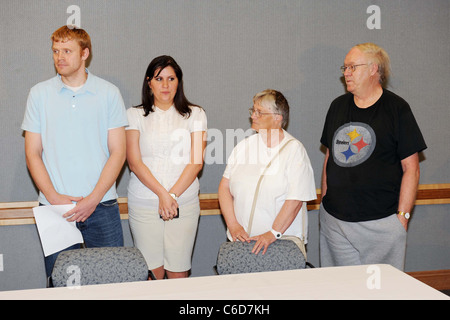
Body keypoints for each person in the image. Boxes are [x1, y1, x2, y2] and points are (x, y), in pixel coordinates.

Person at [21, 26, 128, 279]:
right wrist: (55, 198)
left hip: (102, 206)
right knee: (61, 286)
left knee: (112, 285)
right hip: (55, 209)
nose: (60, 57)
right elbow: (32, 153)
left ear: (85, 53)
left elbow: (118, 152)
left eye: (67, 51)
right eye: (56, 51)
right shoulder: (39, 94)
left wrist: (92, 199)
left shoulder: (109, 93)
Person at [319, 43, 427, 270]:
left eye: (352, 67)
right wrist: (325, 204)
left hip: (381, 225)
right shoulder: (336, 107)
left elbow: (412, 169)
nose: (346, 73)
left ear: (373, 69)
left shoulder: (397, 109)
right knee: (340, 290)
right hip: (334, 224)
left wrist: (402, 219)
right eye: (345, 67)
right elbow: (330, 157)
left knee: (379, 292)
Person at [126, 55, 207, 279]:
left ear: (178, 82)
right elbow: (134, 162)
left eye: (171, 78)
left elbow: (195, 162)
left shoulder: (195, 114)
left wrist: (172, 195)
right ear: (149, 82)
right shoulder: (134, 115)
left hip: (184, 202)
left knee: (178, 272)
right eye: (159, 78)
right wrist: (163, 194)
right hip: (144, 203)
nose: (165, 85)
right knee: (151, 274)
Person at [218, 89, 316, 255]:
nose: (253, 116)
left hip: (280, 243)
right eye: (253, 111)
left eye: (260, 112)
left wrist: (273, 233)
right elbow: (224, 188)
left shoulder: (294, 150)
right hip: (241, 242)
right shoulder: (243, 147)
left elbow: (296, 199)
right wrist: (233, 225)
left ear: (278, 118)